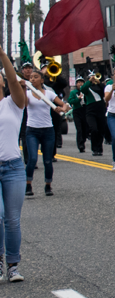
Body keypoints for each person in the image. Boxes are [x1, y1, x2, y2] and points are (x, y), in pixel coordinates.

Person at [0, 45, 26, 282]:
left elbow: (14, 82)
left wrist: (2, 55)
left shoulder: (13, 103)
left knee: (12, 219)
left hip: (13, 167)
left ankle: (13, 265)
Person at [25, 69, 69, 197]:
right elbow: (23, 104)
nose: (32, 79)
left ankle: (48, 185)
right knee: (32, 158)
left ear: (42, 80)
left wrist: (62, 109)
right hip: (32, 130)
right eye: (31, 77)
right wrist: (22, 89)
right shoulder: (27, 93)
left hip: (47, 130)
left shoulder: (49, 93)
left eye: (35, 77)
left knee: (48, 160)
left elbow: (64, 104)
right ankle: (28, 184)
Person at [81, 72, 109, 156]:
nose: (94, 79)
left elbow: (105, 90)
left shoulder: (100, 87)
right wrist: (89, 81)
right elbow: (82, 89)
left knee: (101, 130)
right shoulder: (88, 87)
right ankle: (94, 148)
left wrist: (99, 82)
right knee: (94, 129)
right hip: (90, 111)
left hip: (100, 110)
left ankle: (99, 149)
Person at [67, 78, 88, 153]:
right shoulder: (73, 92)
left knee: (85, 129)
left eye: (82, 82)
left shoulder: (86, 91)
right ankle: (80, 145)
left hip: (85, 110)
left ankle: (84, 140)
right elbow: (70, 101)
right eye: (78, 82)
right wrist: (78, 98)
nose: (80, 84)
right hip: (77, 111)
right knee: (79, 129)